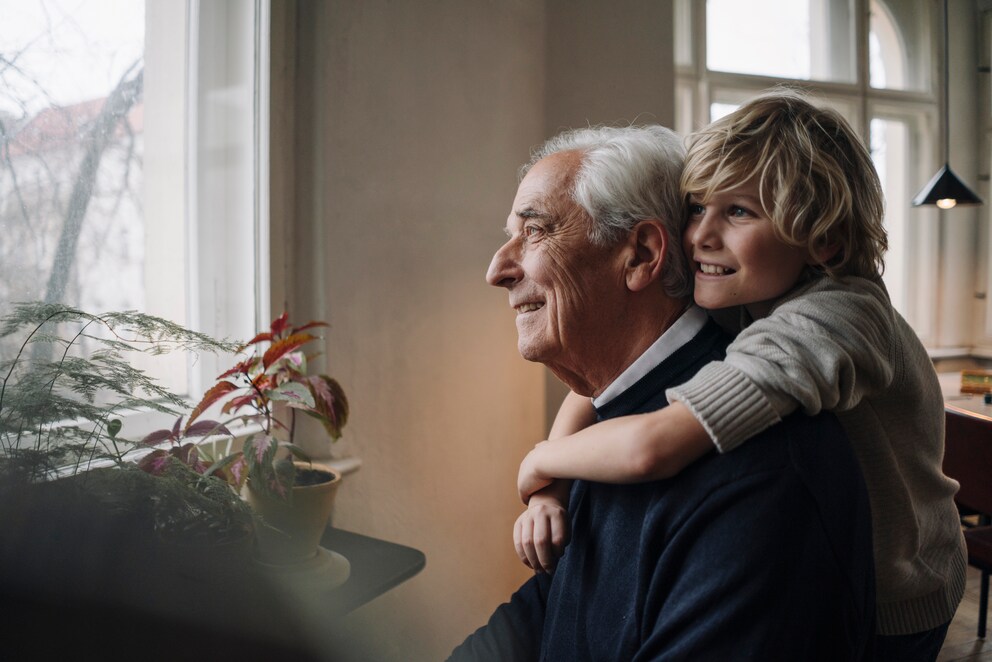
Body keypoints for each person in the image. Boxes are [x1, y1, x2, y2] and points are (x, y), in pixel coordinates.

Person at [513, 90, 966, 660]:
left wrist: (536, 461)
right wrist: (550, 494)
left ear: (821, 239)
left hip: (897, 588)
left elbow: (654, 443)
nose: (701, 234)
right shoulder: (742, 288)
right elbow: (599, 395)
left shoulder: (833, 321)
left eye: (740, 211)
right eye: (698, 207)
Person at [449, 124, 875, 660]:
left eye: (534, 231)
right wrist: (548, 481)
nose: (497, 269)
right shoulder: (616, 402)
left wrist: (541, 460)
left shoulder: (762, 469)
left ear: (643, 254)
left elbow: (652, 445)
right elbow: (554, 604)